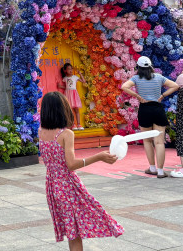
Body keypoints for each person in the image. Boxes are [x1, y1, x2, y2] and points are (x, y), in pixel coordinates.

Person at [39, 91, 122, 250]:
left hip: (52, 186)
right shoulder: (65, 134)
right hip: (68, 187)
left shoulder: (41, 131)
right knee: (77, 230)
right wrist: (98, 156)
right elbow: (71, 165)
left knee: (72, 230)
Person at [120, 56, 180, 177]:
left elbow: (124, 86)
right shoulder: (159, 77)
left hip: (144, 109)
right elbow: (175, 86)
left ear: (139, 67)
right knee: (159, 142)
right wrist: (163, 95)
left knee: (147, 141)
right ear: (151, 66)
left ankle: (152, 168)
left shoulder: (136, 78)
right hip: (157, 108)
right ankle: (161, 171)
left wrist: (137, 96)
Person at [58, 63, 86, 130]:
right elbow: (67, 87)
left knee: (76, 109)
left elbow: (84, 81)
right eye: (68, 69)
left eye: (71, 69)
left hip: (74, 93)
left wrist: (80, 74)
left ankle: (79, 124)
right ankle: (73, 125)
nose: (70, 70)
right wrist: (60, 86)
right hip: (68, 94)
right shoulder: (65, 78)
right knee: (70, 110)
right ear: (65, 70)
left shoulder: (75, 77)